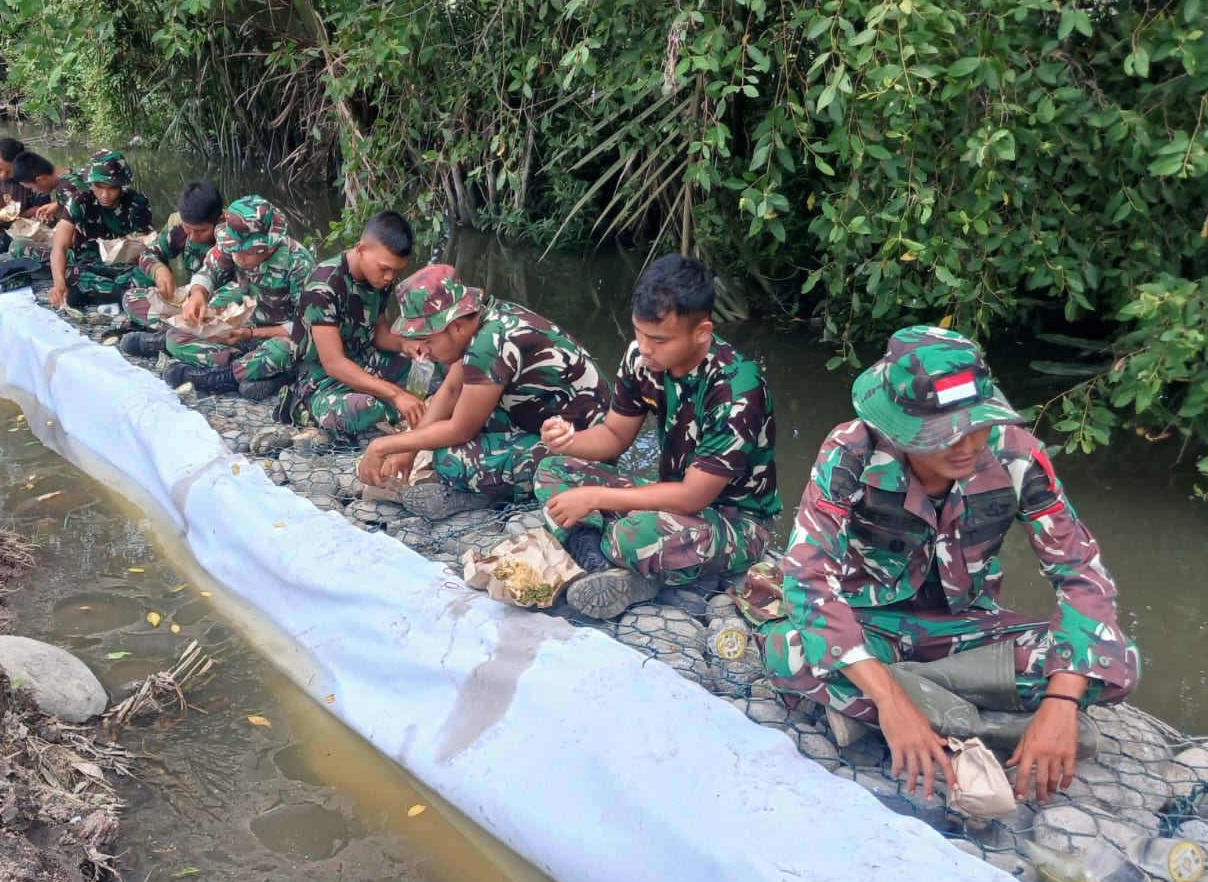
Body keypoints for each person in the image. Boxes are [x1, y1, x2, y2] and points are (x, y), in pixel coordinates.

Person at [755, 326, 1141, 804]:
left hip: (972, 631)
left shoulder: (1017, 455)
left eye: (975, 423)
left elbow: (1082, 577)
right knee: (786, 650)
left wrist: (1061, 702)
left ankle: (898, 709)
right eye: (944, 433)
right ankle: (981, 723)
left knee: (1119, 662)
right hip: (872, 627)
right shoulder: (850, 453)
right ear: (898, 426)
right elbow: (808, 581)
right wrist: (892, 700)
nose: (966, 443)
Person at [531, 254, 780, 621]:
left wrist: (595, 497)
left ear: (702, 332)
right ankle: (601, 559)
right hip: (671, 497)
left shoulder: (737, 388)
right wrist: (569, 441)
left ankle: (614, 559)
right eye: (639, 332)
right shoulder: (643, 360)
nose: (644, 347)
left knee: (633, 535)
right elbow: (615, 434)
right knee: (553, 470)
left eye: (659, 339)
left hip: (735, 519)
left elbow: (694, 495)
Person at [358, 264, 608, 519]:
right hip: (549, 422)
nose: (424, 350)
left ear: (456, 326)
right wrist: (407, 450)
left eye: (428, 340)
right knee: (446, 423)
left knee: (450, 460)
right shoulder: (484, 318)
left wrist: (382, 445)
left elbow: (460, 429)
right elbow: (453, 389)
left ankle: (490, 497)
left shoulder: (490, 342)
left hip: (585, 448)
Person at [279, 211, 422, 435]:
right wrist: (396, 394)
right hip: (321, 378)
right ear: (361, 249)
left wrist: (405, 345)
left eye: (396, 271)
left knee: (431, 369)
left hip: (363, 360)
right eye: (385, 268)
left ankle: (402, 406)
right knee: (365, 409)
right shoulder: (324, 285)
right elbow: (334, 364)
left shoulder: (380, 281)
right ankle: (302, 407)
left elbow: (378, 333)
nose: (389, 277)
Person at [159, 195, 313, 400]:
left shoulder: (299, 264)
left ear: (271, 245)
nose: (239, 258)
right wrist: (198, 294)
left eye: (248, 252)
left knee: (283, 351)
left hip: (280, 336)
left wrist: (252, 333)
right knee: (175, 337)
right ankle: (254, 369)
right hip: (244, 330)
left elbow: (306, 327)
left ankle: (223, 377)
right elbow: (210, 271)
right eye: (235, 249)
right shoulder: (231, 246)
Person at [7, 150, 151, 308]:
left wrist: (141, 256)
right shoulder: (79, 201)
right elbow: (60, 247)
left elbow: (143, 242)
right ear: (91, 183)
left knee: (150, 276)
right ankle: (122, 295)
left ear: (121, 186)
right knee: (69, 273)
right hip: (88, 264)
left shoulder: (137, 201)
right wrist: (58, 285)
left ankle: (112, 293)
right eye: (98, 186)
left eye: (112, 188)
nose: (104, 195)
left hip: (123, 266)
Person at [117, 180, 225, 359]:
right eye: (187, 229)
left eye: (201, 231)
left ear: (218, 220)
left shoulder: (232, 236)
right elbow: (149, 254)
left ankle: (170, 339)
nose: (192, 237)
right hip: (191, 303)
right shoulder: (179, 226)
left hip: (221, 307)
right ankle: (182, 337)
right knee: (131, 298)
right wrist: (159, 270)